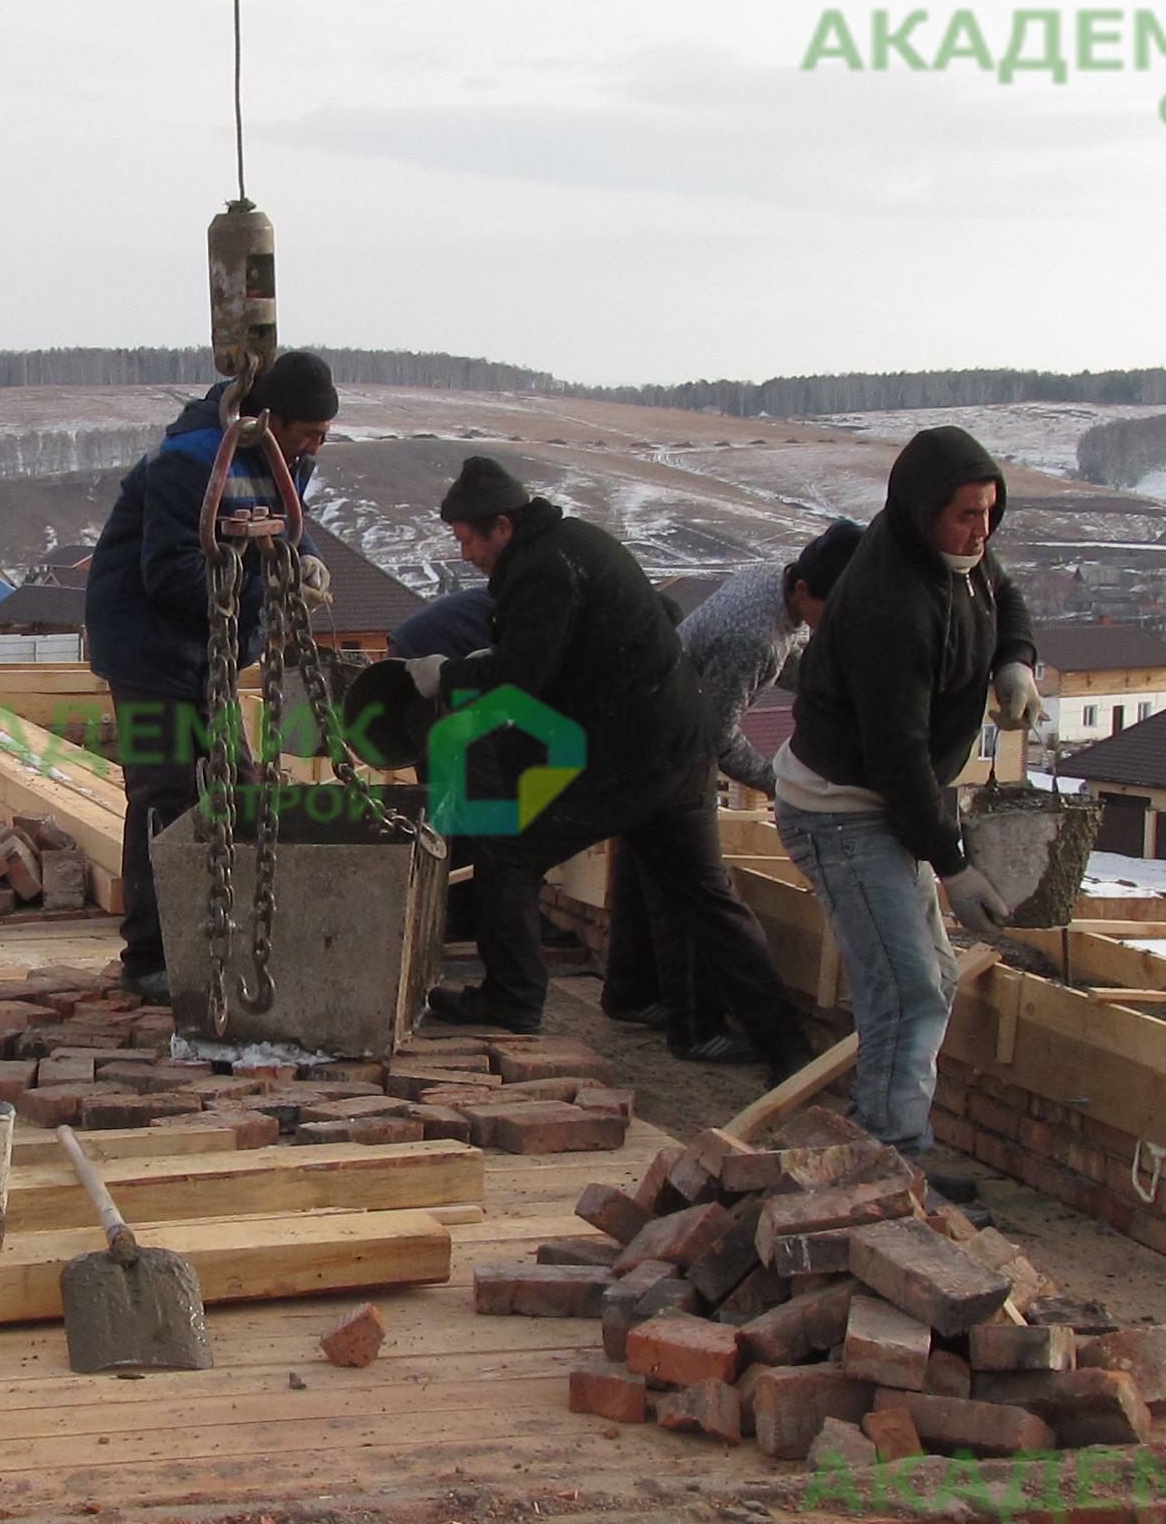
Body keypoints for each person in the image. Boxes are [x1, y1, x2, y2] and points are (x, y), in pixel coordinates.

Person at [399, 456, 811, 1075]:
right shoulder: (575, 543)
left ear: (502, 526)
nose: (466, 555)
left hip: (626, 754)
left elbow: (523, 679)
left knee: (505, 851)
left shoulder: (542, 568)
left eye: (468, 540)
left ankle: (512, 1000)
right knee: (708, 900)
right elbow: (581, 649)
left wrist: (448, 674)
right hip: (680, 746)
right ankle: (786, 1048)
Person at [773, 428, 1040, 1184]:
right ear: (924, 512)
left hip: (889, 804)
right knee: (905, 986)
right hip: (841, 810)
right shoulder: (892, 603)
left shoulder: (960, 558)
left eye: (989, 513)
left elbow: (1004, 593)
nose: (980, 532)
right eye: (965, 516)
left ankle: (895, 1151)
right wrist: (953, 867)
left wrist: (1015, 660)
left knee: (933, 981)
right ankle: (882, 1168)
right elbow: (899, 759)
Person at [79, 349, 339, 997]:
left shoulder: (285, 458)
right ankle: (149, 956)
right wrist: (267, 591)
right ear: (271, 419)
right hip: (145, 647)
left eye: (323, 436)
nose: (315, 447)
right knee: (165, 792)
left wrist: (303, 561)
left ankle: (230, 939)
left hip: (210, 651)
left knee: (237, 787)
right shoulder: (190, 462)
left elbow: (287, 526)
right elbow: (171, 575)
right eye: (309, 433)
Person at [613, 520, 861, 1056]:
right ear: (804, 590)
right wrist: (782, 784)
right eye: (834, 609)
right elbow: (717, 738)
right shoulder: (753, 638)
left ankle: (631, 992)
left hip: (642, 729)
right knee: (701, 895)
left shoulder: (771, 580)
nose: (838, 623)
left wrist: (839, 690)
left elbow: (791, 658)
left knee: (648, 864)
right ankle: (704, 1031)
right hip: (668, 750)